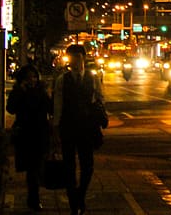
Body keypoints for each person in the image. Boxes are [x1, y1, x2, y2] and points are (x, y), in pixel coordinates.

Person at [53, 44, 104, 215]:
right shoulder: (62, 79)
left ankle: (79, 195)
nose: (74, 61)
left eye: (78, 57)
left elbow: (100, 99)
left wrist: (98, 114)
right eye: (72, 58)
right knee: (69, 166)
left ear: (84, 58)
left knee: (87, 166)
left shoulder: (93, 77)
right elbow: (58, 104)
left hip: (87, 127)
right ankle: (74, 202)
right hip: (68, 127)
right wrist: (56, 128)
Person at [6, 64, 52, 212]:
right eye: (28, 77)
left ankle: (33, 198)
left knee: (36, 168)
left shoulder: (41, 91)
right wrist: (20, 91)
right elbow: (11, 109)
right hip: (25, 133)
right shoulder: (19, 91)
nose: (32, 80)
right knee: (32, 168)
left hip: (40, 133)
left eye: (34, 77)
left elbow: (50, 108)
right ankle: (33, 198)